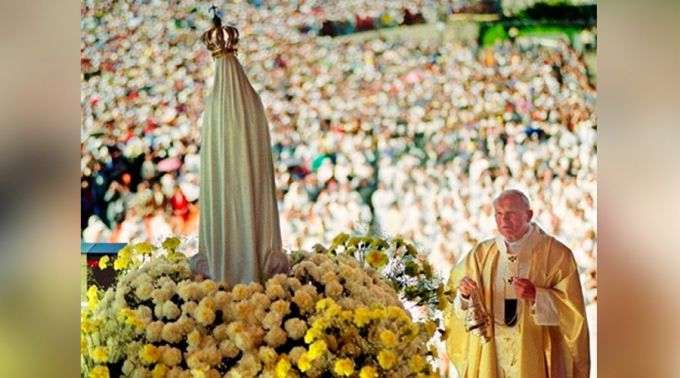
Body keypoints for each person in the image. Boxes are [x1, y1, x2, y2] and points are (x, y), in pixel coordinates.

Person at [445, 189, 590, 378]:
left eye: (511, 214)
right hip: (492, 351)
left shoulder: (556, 254)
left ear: (529, 215)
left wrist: (537, 295)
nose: (504, 221)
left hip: (533, 351)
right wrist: (464, 295)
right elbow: (455, 305)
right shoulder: (480, 254)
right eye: (499, 214)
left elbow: (573, 312)